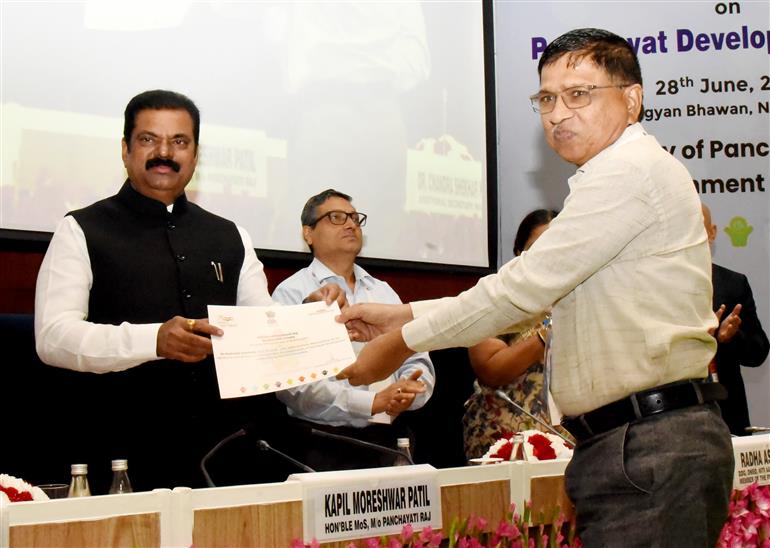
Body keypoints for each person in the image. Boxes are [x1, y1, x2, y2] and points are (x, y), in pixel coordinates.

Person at [336, 28, 734, 546]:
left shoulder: (629, 172)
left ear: (632, 99)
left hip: (651, 446)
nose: (558, 113)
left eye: (579, 95)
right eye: (546, 98)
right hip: (637, 444)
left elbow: (519, 291)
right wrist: (403, 313)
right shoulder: (615, 176)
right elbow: (531, 292)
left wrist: (400, 342)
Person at [34, 90, 342, 492]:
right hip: (122, 456)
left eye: (180, 142)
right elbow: (53, 338)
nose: (165, 152)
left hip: (225, 457)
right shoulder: (81, 230)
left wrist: (307, 317)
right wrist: (155, 340)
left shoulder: (232, 236)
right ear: (125, 150)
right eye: (148, 139)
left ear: (195, 156)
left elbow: (262, 331)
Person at [272, 189, 434, 470]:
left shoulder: (383, 292)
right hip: (322, 445)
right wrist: (372, 402)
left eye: (355, 218)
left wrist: (409, 392)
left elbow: (417, 356)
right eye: (336, 217)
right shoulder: (290, 293)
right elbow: (293, 388)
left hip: (390, 442)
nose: (350, 224)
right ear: (307, 233)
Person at [463, 209, 561, 460]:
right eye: (537, 248)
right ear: (519, 253)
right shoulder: (497, 296)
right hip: (506, 438)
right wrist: (547, 333)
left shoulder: (581, 294)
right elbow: (491, 369)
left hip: (569, 440)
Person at [702, 203, 769, 435]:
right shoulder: (658, 285)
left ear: (712, 232)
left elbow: (758, 353)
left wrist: (730, 337)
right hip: (676, 415)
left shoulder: (733, 283)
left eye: (698, 228)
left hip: (729, 414)